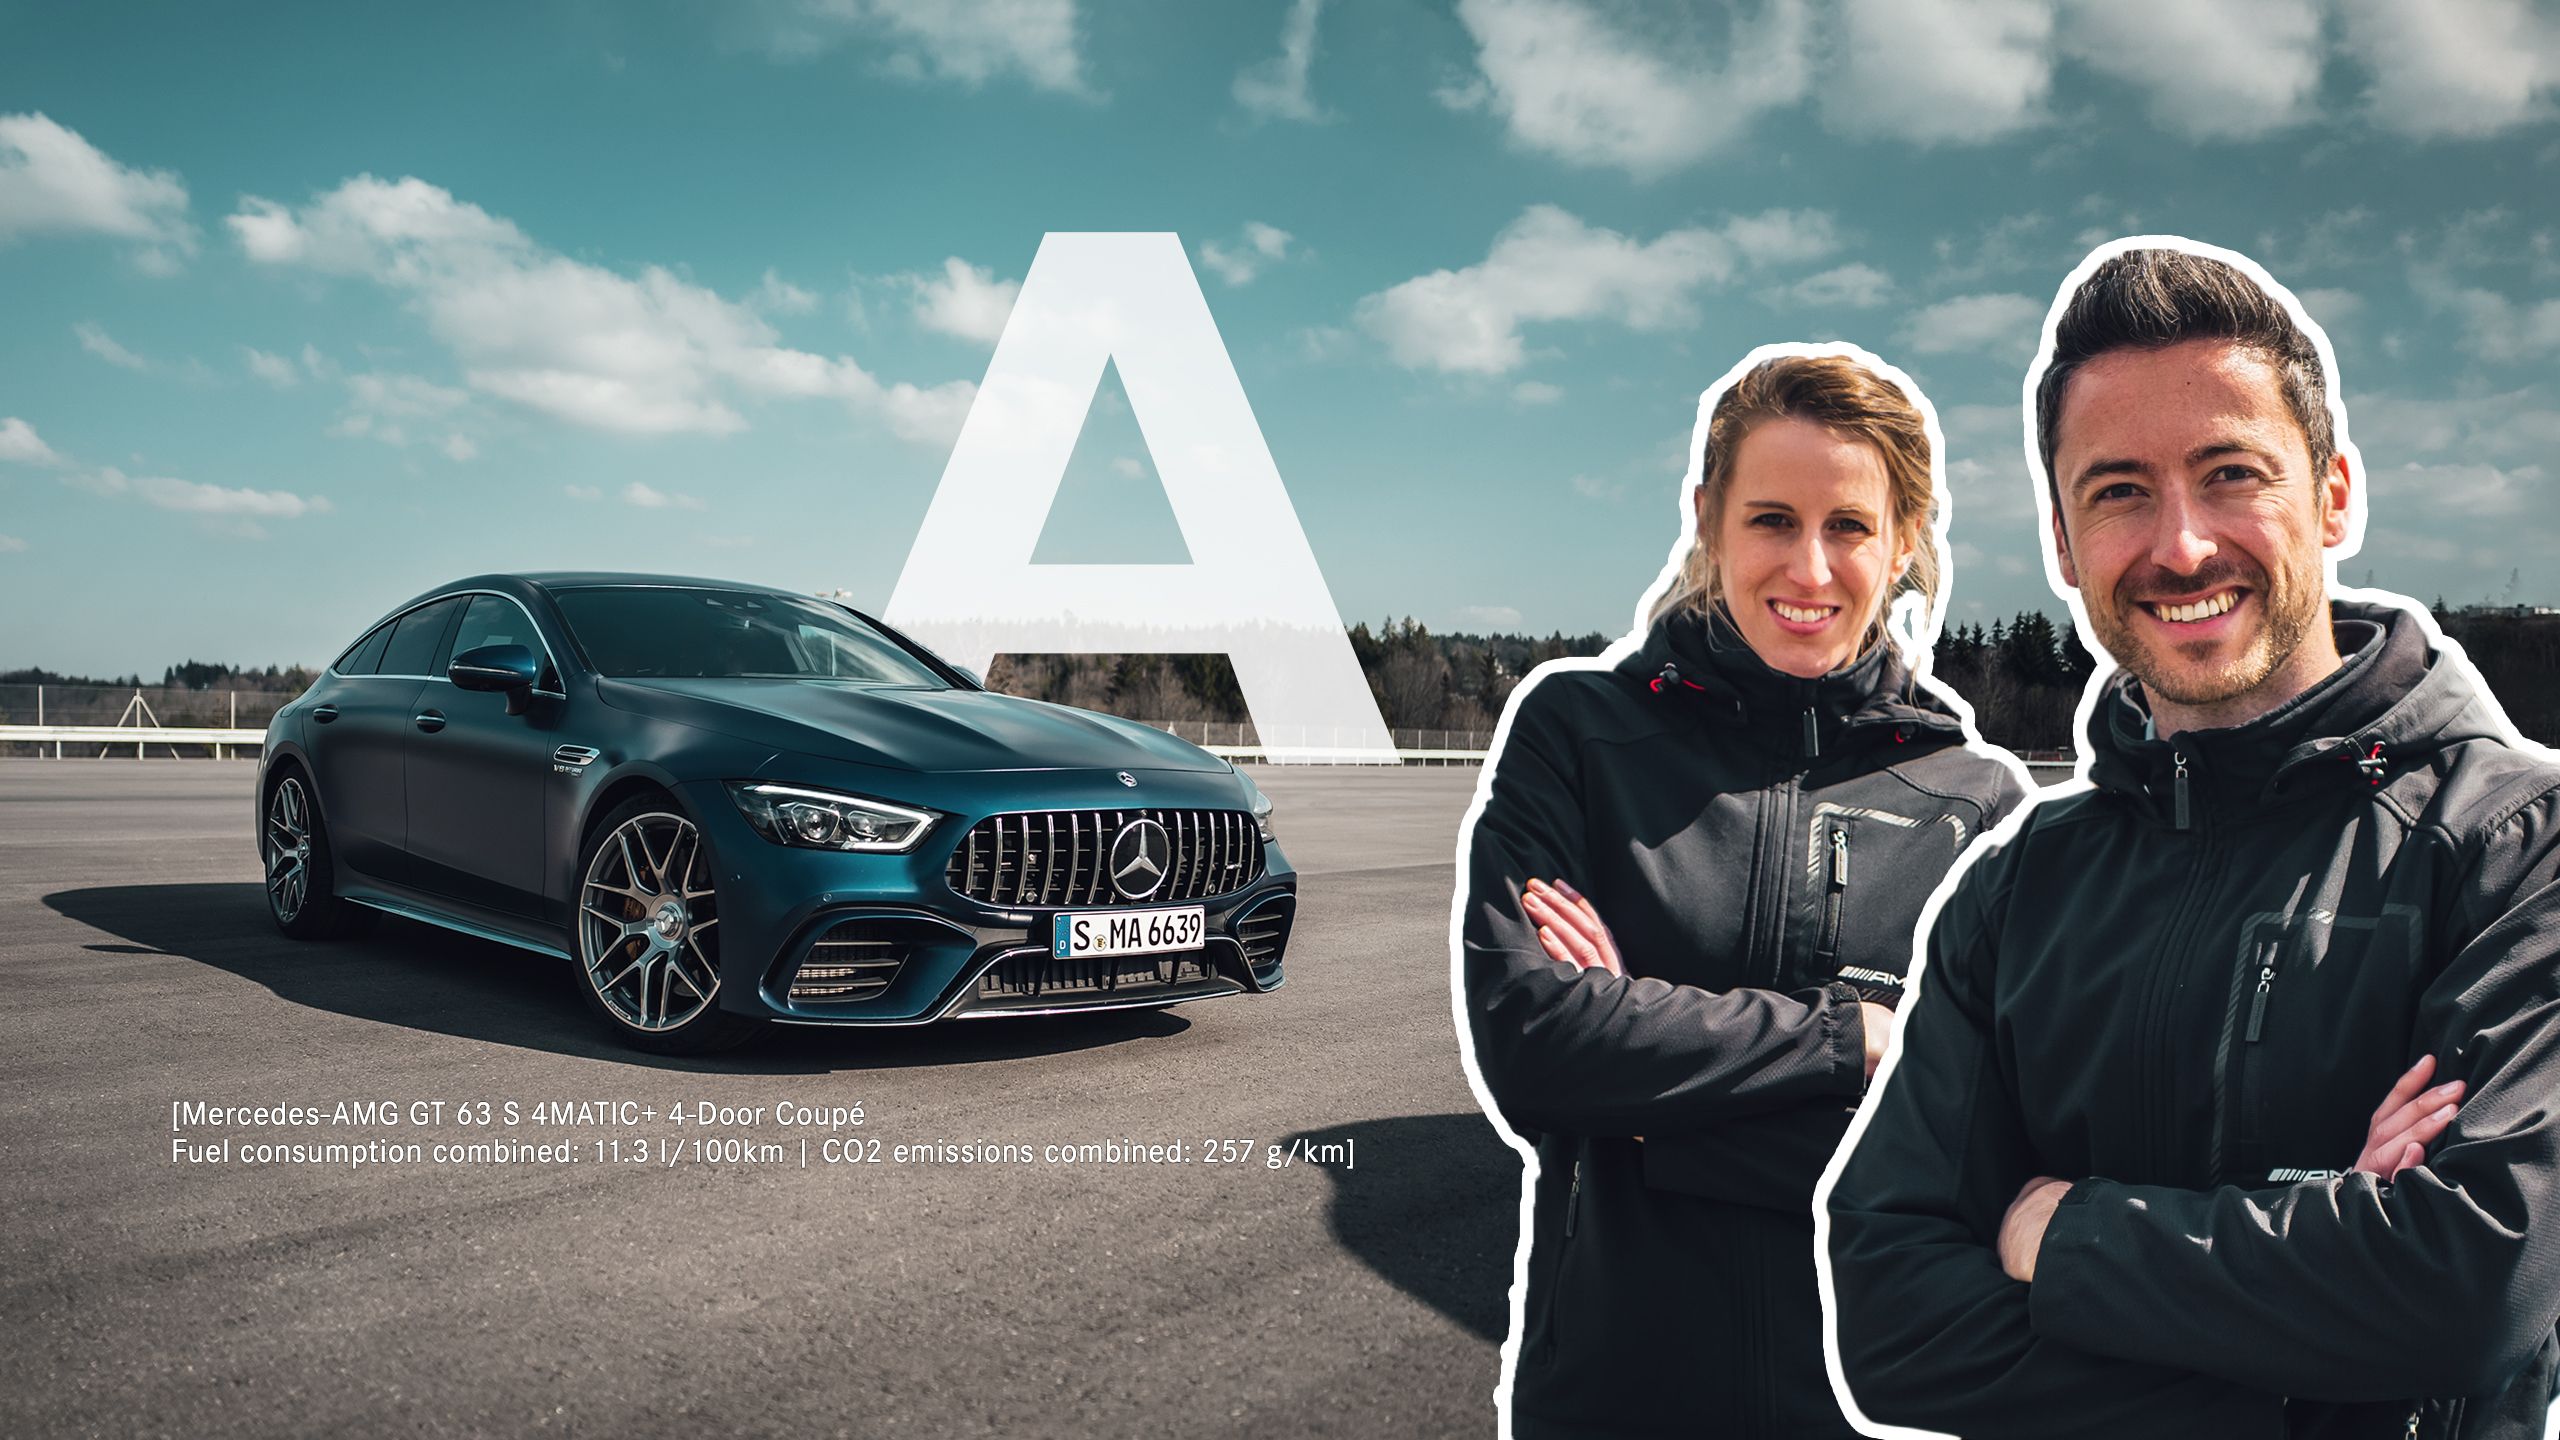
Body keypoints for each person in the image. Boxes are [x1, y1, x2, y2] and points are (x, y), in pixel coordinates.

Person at [1823, 243, 2560, 1439]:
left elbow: (2474, 1287)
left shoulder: (2515, 849)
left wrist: (2053, 1232)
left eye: (2230, 474)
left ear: (2330, 496)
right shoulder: (2013, 893)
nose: (2179, 546)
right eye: (2118, 489)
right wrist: (2323, 1337)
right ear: (2063, 545)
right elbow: (1892, 1320)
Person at [1455, 347, 2029, 1439]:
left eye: (1849, 527)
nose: (1808, 569)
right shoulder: (1579, 738)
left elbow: (1984, 1147)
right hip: (1614, 1400)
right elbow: (1532, 1046)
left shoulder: (1980, 807)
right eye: (1771, 519)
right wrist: (1850, 1041)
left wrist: (1645, 1118)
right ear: (1709, 518)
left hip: (1880, 1410)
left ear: (1903, 542)